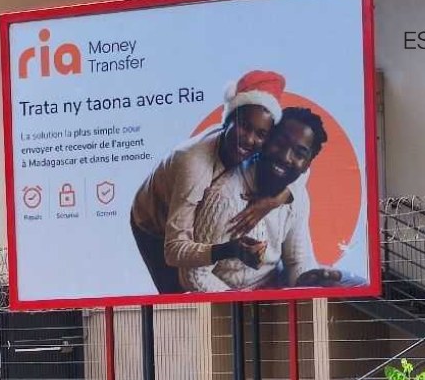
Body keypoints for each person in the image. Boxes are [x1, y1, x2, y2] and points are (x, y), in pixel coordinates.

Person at [130, 70, 292, 293]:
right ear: (228, 122)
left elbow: (298, 170)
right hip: (154, 224)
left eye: (260, 134)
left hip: (193, 211)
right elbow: (173, 250)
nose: (249, 139)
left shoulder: (258, 149)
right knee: (179, 297)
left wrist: (273, 201)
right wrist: (227, 250)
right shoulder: (194, 164)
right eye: (244, 126)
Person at [181, 107, 346, 292]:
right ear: (265, 141)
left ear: (307, 165)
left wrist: (305, 279)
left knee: (345, 284)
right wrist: (241, 303)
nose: (285, 157)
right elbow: (194, 274)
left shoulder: (296, 194)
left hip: (269, 290)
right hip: (230, 297)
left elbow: (297, 260)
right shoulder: (225, 197)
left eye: (299, 154)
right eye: (280, 143)